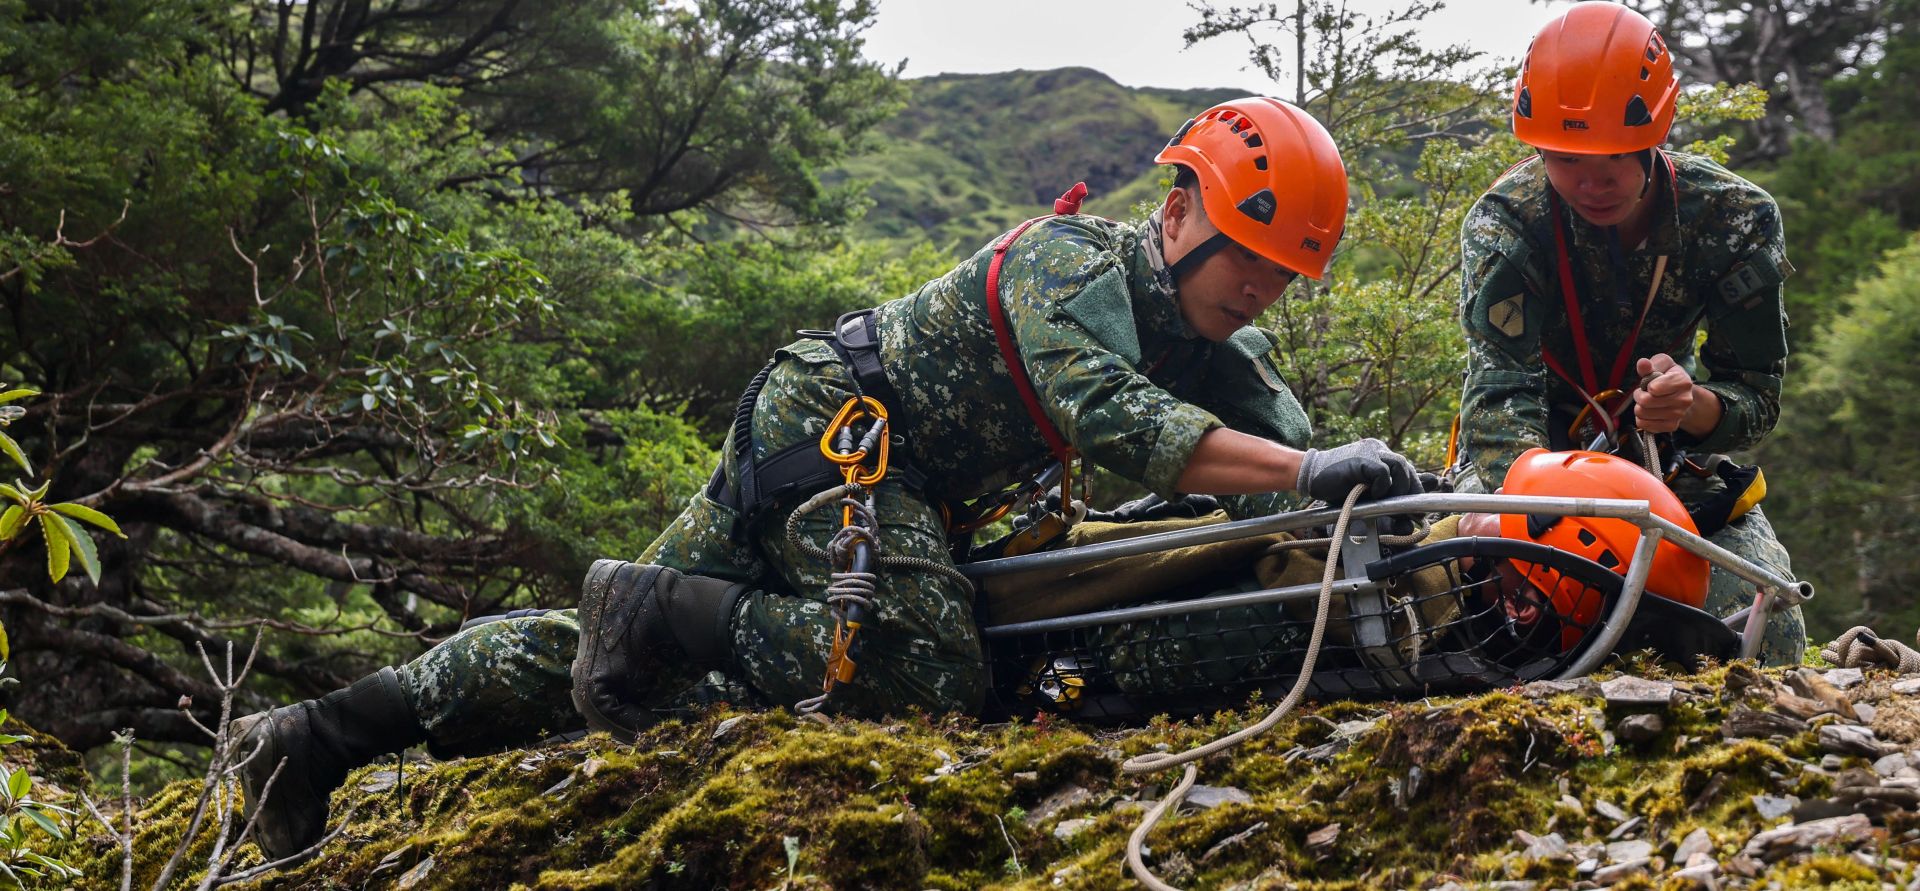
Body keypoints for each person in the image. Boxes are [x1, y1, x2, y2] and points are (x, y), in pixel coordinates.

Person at [234, 96, 1425, 859]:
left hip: (891, 484)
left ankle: (320, 733)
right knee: (925, 675)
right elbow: (1115, 418)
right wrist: (1314, 466)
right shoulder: (1068, 265)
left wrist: (1378, 506)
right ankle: (664, 608)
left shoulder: (1221, 347)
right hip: (837, 435)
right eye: (1247, 260)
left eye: (1281, 277)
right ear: (1179, 214)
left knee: (625, 670)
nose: (1259, 290)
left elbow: (1297, 472)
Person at [1452, 0, 1805, 666]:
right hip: (1527, 465)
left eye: (1614, 154)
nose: (1592, 181)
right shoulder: (1507, 223)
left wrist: (1692, 405)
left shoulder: (1734, 220)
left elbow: (1756, 400)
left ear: (1655, 131)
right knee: (1493, 637)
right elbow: (1500, 403)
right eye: (1563, 157)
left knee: (1768, 635)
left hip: (1665, 467)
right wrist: (1527, 522)